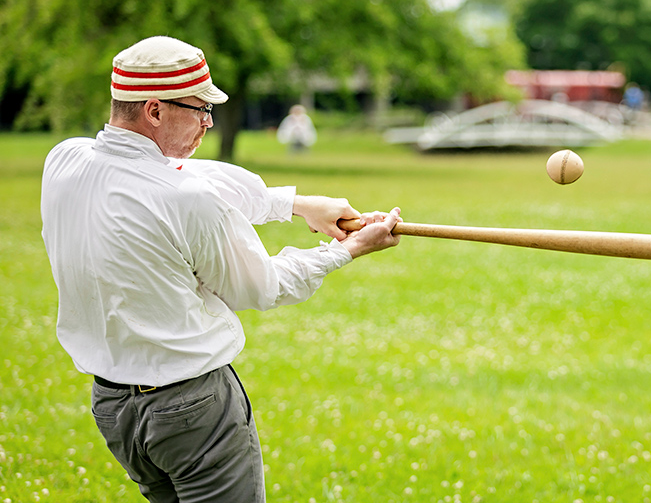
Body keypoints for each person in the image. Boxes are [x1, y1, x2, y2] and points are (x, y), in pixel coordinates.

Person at [40, 36, 401, 502]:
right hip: (192, 408)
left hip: (114, 409)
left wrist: (295, 204)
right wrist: (347, 251)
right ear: (154, 110)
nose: (209, 123)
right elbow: (263, 288)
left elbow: (182, 173)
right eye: (200, 109)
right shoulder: (187, 200)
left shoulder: (64, 160)